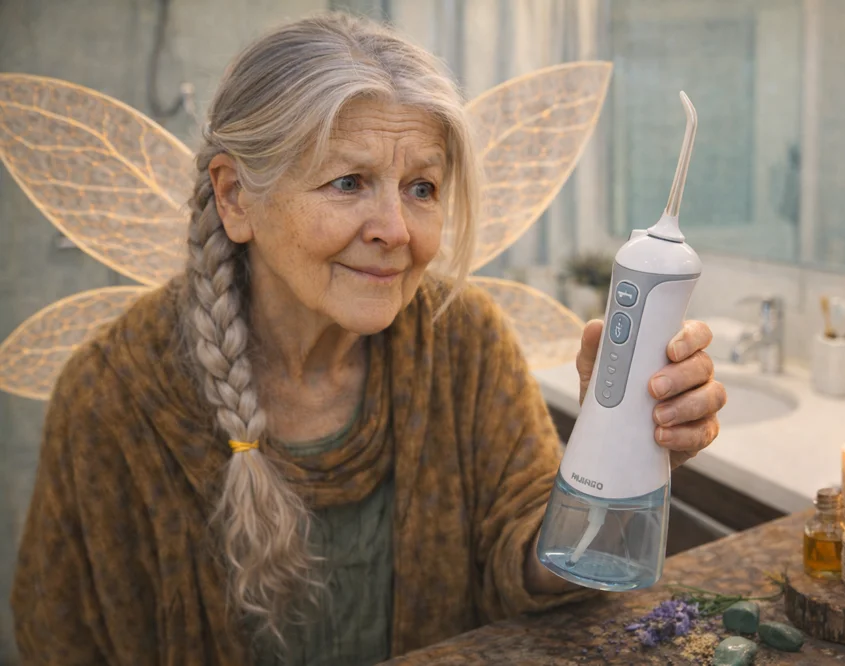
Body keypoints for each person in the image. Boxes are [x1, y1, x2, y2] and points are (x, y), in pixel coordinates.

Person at [11, 11, 726, 666]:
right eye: (350, 182)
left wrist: (620, 450)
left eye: (421, 188)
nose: (396, 230)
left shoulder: (465, 342)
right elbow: (61, 637)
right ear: (235, 198)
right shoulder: (110, 397)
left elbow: (532, 571)